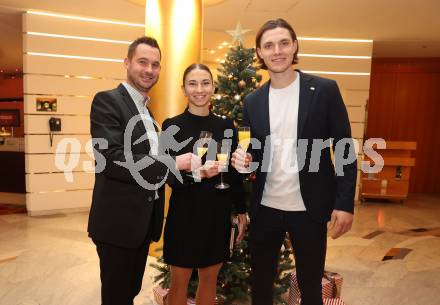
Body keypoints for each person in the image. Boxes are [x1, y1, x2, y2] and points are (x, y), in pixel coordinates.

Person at [231, 19, 357, 305]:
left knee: (311, 287)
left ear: (295, 45)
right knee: (260, 287)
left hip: (309, 209)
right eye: (269, 45)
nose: (277, 51)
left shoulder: (324, 90)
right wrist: (247, 160)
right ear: (260, 53)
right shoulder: (253, 101)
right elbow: (256, 155)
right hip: (266, 209)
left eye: (284, 43)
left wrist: (344, 202)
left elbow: (344, 148)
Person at [88, 36, 198, 305]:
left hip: (141, 225)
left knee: (129, 292)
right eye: (142, 62)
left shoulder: (149, 116)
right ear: (127, 63)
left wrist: (196, 169)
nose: (149, 69)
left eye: (155, 64)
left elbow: (155, 168)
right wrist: (174, 163)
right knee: (116, 297)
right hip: (117, 225)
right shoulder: (107, 101)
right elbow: (112, 158)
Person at [161, 63, 247, 305]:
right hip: (184, 215)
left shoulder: (226, 126)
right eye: (193, 83)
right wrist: (199, 175)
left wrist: (241, 210)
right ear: (183, 89)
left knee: (209, 283)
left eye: (205, 83)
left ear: (213, 87)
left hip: (216, 215)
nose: (199, 89)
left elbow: (232, 173)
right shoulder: (171, 126)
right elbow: (168, 176)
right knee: (178, 285)